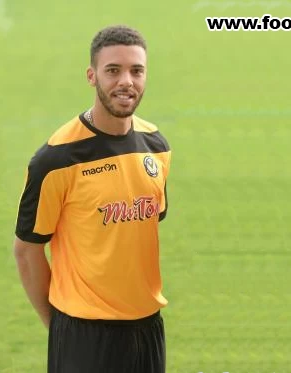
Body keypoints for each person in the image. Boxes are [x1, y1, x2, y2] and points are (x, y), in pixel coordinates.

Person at [12, 25, 172, 373]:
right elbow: (27, 251)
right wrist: (60, 328)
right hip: (83, 333)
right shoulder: (56, 159)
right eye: (113, 70)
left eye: (136, 70)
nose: (126, 81)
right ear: (92, 75)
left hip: (147, 328)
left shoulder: (157, 147)